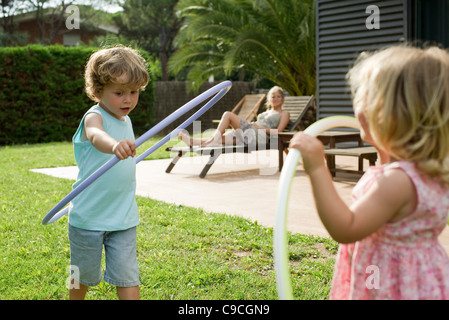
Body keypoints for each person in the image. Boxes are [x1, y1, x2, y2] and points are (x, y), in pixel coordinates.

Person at [289, 45, 449, 299]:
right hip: (419, 280)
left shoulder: (396, 181)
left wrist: (318, 167)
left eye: (366, 98)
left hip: (386, 283)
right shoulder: (425, 170)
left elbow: (346, 227)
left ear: (393, 116)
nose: (357, 105)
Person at [68, 45, 149, 300]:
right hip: (88, 217)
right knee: (80, 277)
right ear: (97, 91)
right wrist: (114, 145)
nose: (128, 99)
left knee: (128, 277)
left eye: (134, 92)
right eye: (119, 92)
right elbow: (95, 135)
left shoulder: (126, 119)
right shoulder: (94, 116)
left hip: (123, 218)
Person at [179, 86, 290, 147]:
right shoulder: (266, 112)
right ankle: (192, 141)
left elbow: (279, 131)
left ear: (282, 99)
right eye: (273, 96)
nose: (275, 99)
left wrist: (259, 127)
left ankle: (208, 140)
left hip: (259, 136)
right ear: (269, 99)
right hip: (250, 133)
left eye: (278, 96)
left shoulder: (284, 113)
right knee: (219, 139)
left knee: (228, 114)